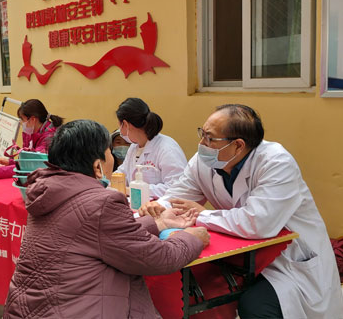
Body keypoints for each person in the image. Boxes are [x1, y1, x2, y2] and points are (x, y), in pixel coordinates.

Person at [140, 104, 343, 318]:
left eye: (210, 138)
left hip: (290, 259)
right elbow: (178, 197)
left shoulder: (276, 162)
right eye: (202, 134)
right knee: (187, 292)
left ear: (238, 145)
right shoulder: (203, 162)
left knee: (256, 307)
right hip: (243, 256)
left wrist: (201, 214)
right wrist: (157, 208)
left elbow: (257, 223)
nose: (202, 144)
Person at [3, 119, 209, 318]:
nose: (113, 157)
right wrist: (192, 238)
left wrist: (160, 223)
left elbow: (97, 235)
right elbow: (158, 258)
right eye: (109, 152)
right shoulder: (101, 203)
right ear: (97, 166)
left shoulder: (49, 192)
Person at [115, 97, 187, 198]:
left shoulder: (166, 148)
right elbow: (122, 173)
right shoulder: (133, 148)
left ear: (126, 124)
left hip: (163, 208)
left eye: (120, 125)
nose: (120, 131)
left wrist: (133, 190)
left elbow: (176, 188)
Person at [0, 99, 64, 180]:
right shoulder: (33, 132)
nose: (21, 123)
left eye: (22, 119)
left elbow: (32, 166)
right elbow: (28, 161)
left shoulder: (49, 137)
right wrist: (10, 163)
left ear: (33, 119)